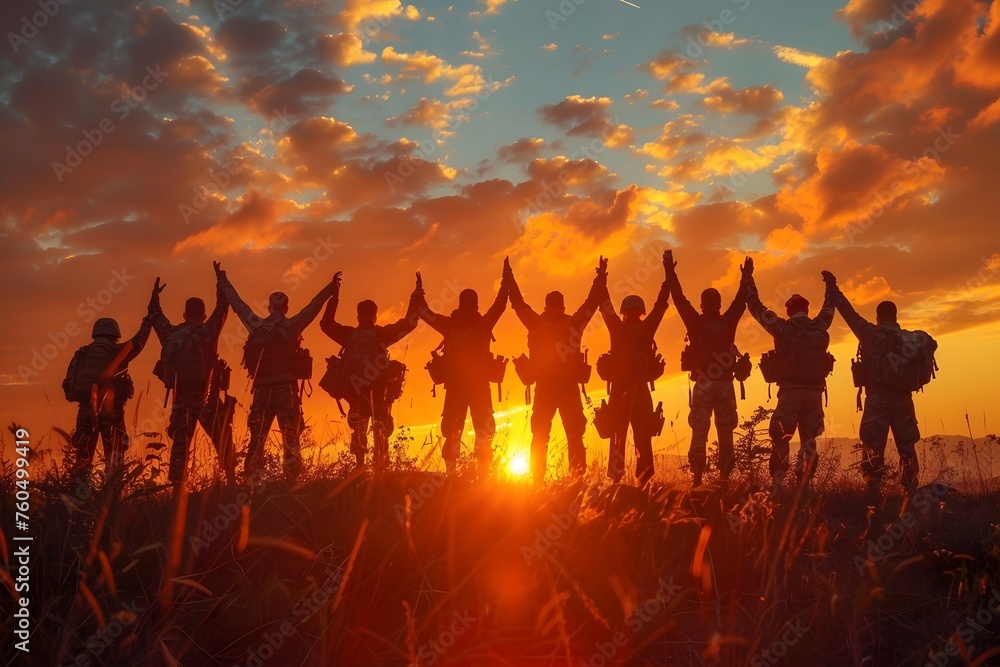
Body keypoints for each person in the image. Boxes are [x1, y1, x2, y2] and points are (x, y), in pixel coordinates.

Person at [219, 269, 340, 482]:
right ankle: (292, 482)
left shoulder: (255, 325)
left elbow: (238, 305)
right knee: (290, 438)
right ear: (286, 308)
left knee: (257, 439)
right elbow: (313, 307)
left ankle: (251, 482)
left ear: (269, 307)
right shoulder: (293, 326)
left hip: (261, 390)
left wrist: (223, 279)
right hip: (286, 390)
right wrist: (330, 289)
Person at [824, 271, 931, 500]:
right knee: (907, 448)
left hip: (878, 400)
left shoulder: (872, 335)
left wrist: (833, 289)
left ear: (878, 317)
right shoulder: (910, 338)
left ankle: (873, 494)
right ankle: (910, 492)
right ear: (895, 316)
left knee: (872, 448)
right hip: (904, 400)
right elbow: (931, 344)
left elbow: (850, 315)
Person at [507, 257, 607, 483]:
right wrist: (600, 278)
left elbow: (518, 305)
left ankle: (537, 482)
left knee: (540, 436)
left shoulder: (535, 323)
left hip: (545, 388)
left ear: (545, 305)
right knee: (575, 435)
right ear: (562, 305)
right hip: (569, 388)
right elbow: (591, 303)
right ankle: (577, 481)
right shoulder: (573, 324)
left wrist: (509, 279)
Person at [744, 260, 836, 494]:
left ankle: (777, 486)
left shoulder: (783, 329)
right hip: (815, 394)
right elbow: (829, 307)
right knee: (809, 440)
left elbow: (755, 307)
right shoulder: (820, 328)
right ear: (806, 310)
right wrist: (830, 285)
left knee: (781, 438)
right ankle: (804, 486)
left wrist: (748, 278)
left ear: (789, 312)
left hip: (790, 394)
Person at [319, 273, 423, 471]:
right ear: (375, 316)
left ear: (358, 316)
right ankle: (381, 466)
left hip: (355, 392)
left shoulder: (348, 335)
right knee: (381, 427)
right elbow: (410, 323)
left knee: (359, 428)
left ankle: (359, 466)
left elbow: (325, 324)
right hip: (379, 393)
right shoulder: (382, 334)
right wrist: (415, 297)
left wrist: (334, 297)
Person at [665, 250, 751, 486]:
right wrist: (746, 277)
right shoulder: (728, 321)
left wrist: (670, 272)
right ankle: (724, 479)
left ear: (702, 305)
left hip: (703, 384)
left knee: (699, 432)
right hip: (725, 384)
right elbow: (741, 301)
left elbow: (679, 299)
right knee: (726, 434)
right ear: (720, 304)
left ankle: (696, 480)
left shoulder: (694, 321)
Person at [147, 262, 234, 486]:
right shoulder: (208, 330)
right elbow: (223, 307)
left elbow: (154, 315)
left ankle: (177, 492)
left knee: (180, 448)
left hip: (181, 400)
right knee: (221, 439)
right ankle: (233, 482)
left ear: (184, 314)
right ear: (204, 315)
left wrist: (154, 295)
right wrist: (219, 278)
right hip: (206, 398)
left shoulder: (170, 334)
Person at [418, 262, 509, 477]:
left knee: (452, 430)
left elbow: (424, 313)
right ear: (476, 305)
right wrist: (506, 281)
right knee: (484, 431)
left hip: (455, 387)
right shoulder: (483, 324)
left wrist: (419, 291)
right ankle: (483, 473)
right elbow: (500, 306)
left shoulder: (449, 325)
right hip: (479, 387)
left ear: (460, 303)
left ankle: (451, 473)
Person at [597, 252, 672, 485]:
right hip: (640, 390)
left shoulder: (617, 328)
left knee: (618, 436)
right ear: (641, 312)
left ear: (625, 312)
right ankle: (644, 482)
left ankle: (616, 481)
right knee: (643, 437)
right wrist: (669, 275)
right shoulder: (646, 327)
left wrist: (601, 279)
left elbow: (604, 305)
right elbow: (660, 306)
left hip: (619, 389)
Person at [64, 315, 152, 476]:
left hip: (85, 409)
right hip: (111, 412)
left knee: (83, 457)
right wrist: (148, 321)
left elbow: (70, 383)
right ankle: (112, 494)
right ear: (115, 336)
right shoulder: (117, 351)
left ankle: (76, 494)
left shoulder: (83, 353)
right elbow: (138, 342)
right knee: (115, 455)